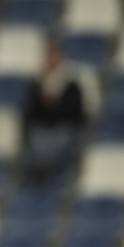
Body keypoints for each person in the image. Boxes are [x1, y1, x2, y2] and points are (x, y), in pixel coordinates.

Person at [23, 44, 84, 186]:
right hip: (43, 129)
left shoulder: (71, 85)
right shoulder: (37, 86)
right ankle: (38, 175)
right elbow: (32, 113)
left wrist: (55, 103)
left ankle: (50, 174)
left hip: (63, 128)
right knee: (36, 140)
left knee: (58, 139)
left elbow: (75, 113)